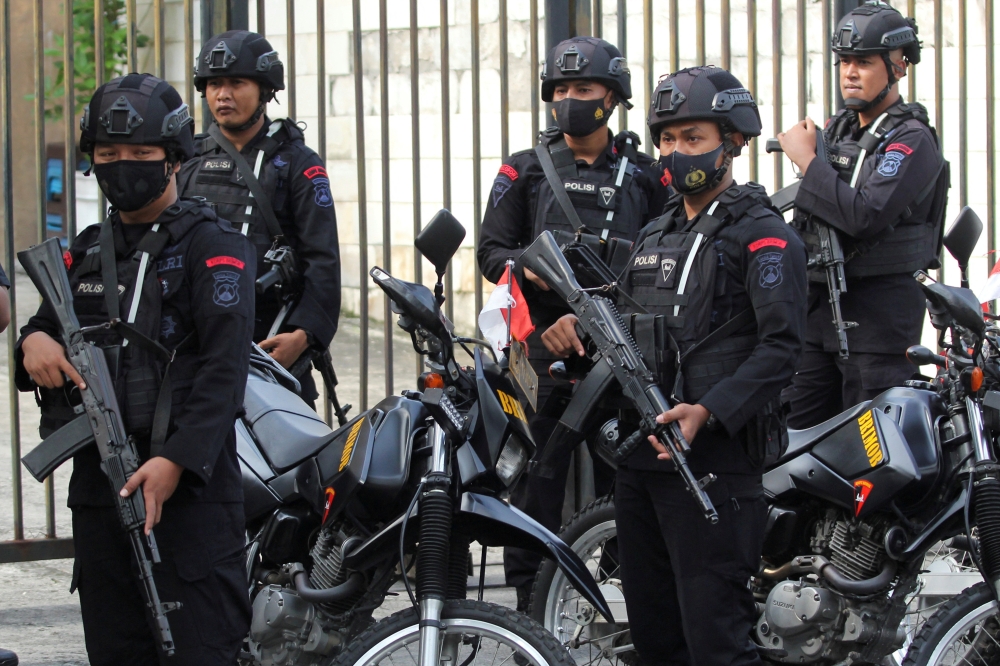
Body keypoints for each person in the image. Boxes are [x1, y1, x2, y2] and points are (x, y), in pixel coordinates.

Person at [543, 65, 807, 664]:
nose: (677, 151)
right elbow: (629, 323)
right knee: (657, 638)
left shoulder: (762, 236)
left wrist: (708, 411)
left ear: (732, 142)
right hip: (643, 463)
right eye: (668, 138)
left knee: (716, 639)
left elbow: (782, 348)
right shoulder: (657, 232)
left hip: (712, 463)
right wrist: (576, 329)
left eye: (695, 138)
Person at [15, 73, 254, 665]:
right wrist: (33, 344)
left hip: (190, 500)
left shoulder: (213, 245)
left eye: (141, 155)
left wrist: (173, 462)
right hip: (103, 496)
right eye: (108, 155)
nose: (124, 165)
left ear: (173, 158)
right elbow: (38, 331)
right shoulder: (86, 251)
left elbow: (224, 373)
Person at [477, 35, 673, 610]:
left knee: (628, 474)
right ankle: (528, 607)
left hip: (619, 348)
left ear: (611, 98)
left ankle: (622, 601)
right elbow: (492, 253)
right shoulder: (525, 171)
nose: (568, 99)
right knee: (536, 479)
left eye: (582, 88)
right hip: (540, 347)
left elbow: (664, 256)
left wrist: (593, 322)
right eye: (559, 89)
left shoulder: (644, 175)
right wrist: (535, 276)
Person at [779, 1, 947, 429]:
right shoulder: (839, 130)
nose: (850, 72)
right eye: (845, 62)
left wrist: (808, 162)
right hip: (820, 316)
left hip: (878, 325)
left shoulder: (911, 139)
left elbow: (864, 216)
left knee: (872, 449)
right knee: (794, 439)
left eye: (864, 62)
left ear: (899, 67)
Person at [178, 30, 341, 408]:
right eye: (215, 84)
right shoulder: (188, 161)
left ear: (265, 89)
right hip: (196, 350)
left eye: (237, 82)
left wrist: (303, 335)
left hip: (271, 351)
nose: (223, 94)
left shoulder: (298, 164)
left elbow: (323, 260)